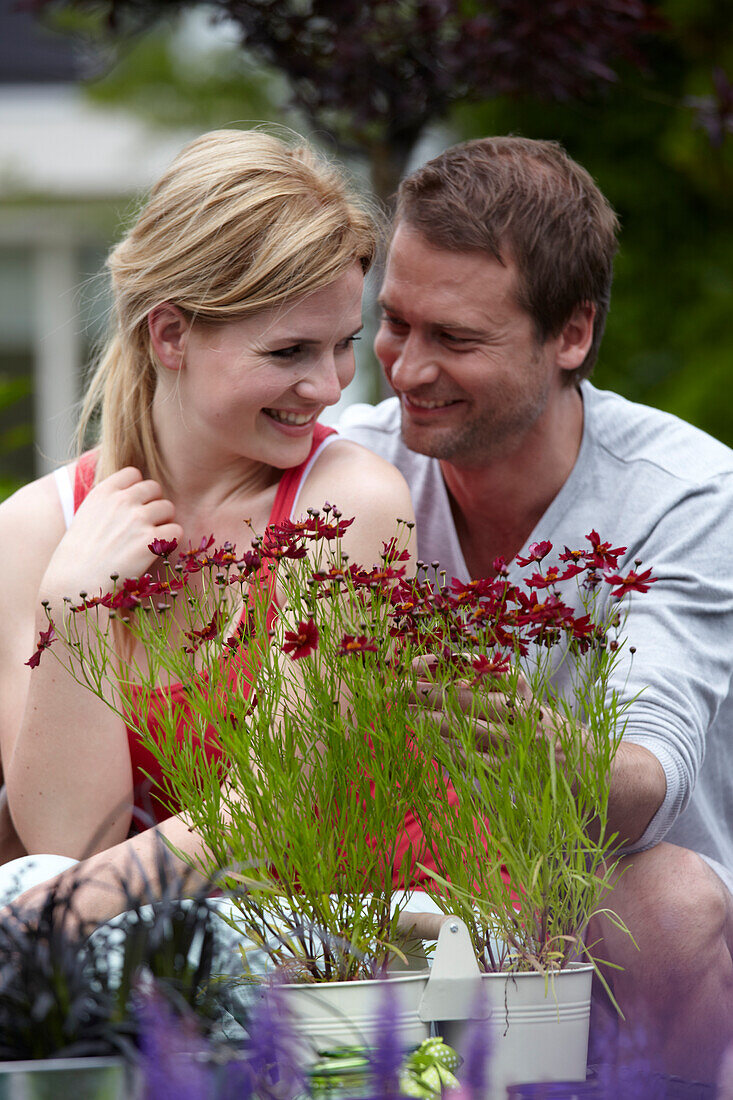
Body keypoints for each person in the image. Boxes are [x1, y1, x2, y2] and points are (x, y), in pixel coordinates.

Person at [338, 136, 733, 1084]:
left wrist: (547, 757)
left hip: (604, 920)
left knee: (669, 897)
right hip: (390, 901)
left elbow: (653, 769)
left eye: (458, 340)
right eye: (394, 323)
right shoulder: (350, 472)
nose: (406, 369)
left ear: (572, 334)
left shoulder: (688, 498)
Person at [0, 128, 416, 913]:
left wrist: (43, 923)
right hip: (157, 945)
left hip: (348, 935)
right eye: (290, 351)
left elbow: (275, 805)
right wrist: (74, 608)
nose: (329, 387)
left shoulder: (352, 502)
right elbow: (67, 839)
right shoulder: (36, 530)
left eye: (343, 346)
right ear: (170, 335)